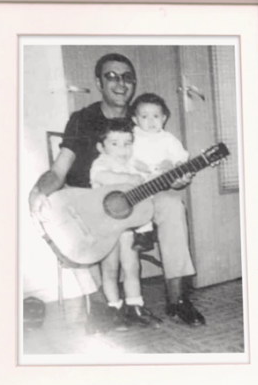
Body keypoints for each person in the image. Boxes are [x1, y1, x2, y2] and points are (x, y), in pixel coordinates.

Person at [29, 53, 205, 330]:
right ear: (99, 82)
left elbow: (160, 166)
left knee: (172, 205)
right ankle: (103, 307)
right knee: (79, 229)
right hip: (93, 197)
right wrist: (38, 191)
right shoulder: (82, 119)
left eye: (127, 78)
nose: (121, 83)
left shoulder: (144, 118)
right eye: (112, 76)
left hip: (138, 194)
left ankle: (177, 299)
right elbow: (59, 170)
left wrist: (177, 178)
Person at [128, 92, 206, 326]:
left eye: (156, 116)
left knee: (174, 205)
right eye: (144, 116)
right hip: (132, 188)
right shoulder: (132, 137)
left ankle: (177, 299)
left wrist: (173, 165)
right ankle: (143, 232)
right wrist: (133, 165)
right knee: (139, 204)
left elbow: (181, 159)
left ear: (164, 118)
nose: (150, 121)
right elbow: (121, 157)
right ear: (135, 119)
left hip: (160, 188)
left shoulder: (168, 139)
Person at [89, 118, 163, 329]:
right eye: (115, 143)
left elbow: (146, 182)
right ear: (101, 147)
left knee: (132, 267)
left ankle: (135, 306)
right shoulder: (101, 163)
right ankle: (114, 308)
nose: (123, 149)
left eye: (128, 143)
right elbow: (103, 177)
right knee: (110, 269)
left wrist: (152, 175)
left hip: (128, 227)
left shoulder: (132, 165)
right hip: (107, 227)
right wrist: (129, 179)